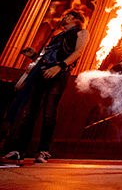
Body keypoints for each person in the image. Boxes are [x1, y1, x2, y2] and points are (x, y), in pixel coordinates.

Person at [1, 10, 89, 164]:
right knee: (29, 112)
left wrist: (59, 67)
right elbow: (46, 56)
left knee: (49, 112)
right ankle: (20, 150)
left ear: (75, 18)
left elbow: (78, 52)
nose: (63, 17)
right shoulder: (56, 36)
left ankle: (43, 151)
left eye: (67, 15)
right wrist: (34, 56)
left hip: (58, 74)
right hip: (41, 72)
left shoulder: (81, 32)